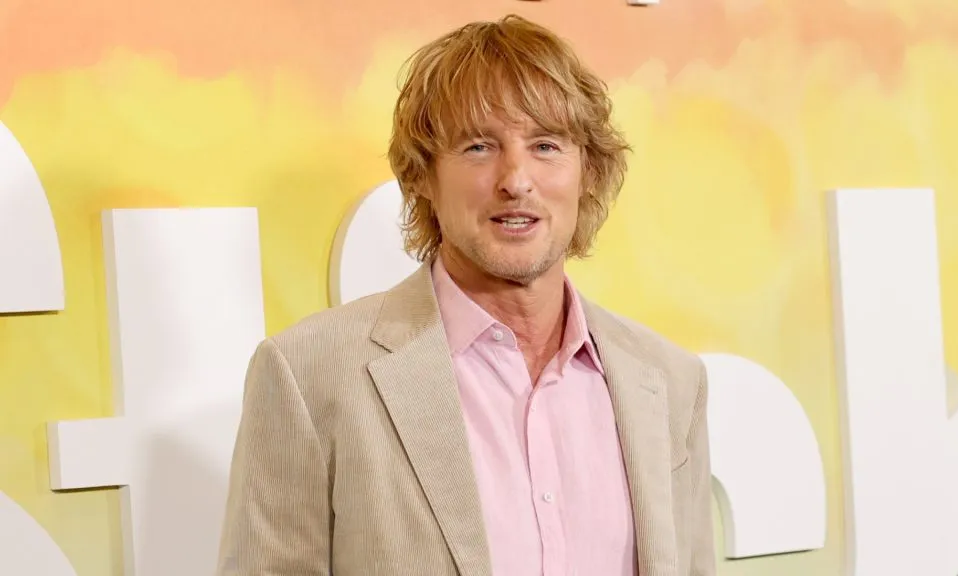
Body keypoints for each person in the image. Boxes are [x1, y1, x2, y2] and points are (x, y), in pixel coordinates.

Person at [216, 13, 715, 576]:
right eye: (479, 147)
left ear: (588, 173)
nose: (516, 180)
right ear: (422, 177)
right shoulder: (307, 376)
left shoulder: (669, 381)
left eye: (546, 145)